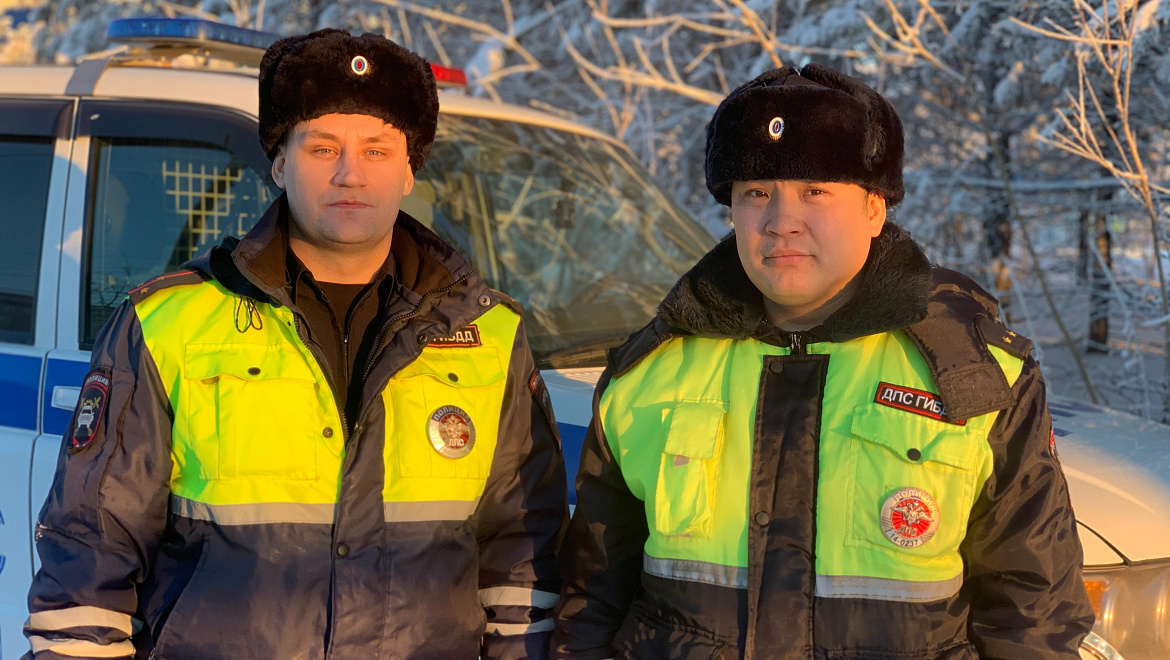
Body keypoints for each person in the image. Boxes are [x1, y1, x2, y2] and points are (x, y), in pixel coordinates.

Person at [26, 29, 567, 660]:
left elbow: (522, 567)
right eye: (323, 147)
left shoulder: (490, 336)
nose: (350, 172)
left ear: (409, 171)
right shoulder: (169, 324)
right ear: (279, 164)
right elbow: (89, 562)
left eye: (377, 150)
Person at [551, 64, 1093, 660]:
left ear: (874, 209)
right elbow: (591, 605)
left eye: (815, 191)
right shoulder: (646, 376)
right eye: (756, 193)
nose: (781, 222)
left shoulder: (975, 378)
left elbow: (1035, 618)